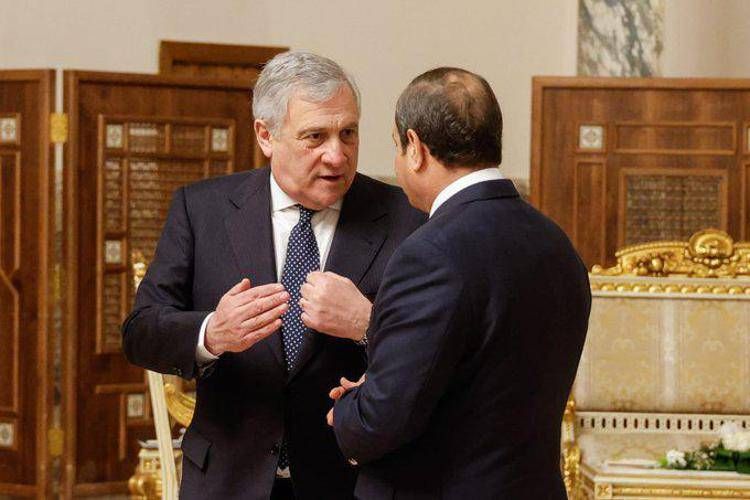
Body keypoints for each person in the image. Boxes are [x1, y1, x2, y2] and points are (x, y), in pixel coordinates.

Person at [121, 51, 423, 500]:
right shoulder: (201, 210)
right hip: (227, 480)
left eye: (348, 133)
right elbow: (140, 332)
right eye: (315, 137)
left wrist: (368, 323)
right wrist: (211, 333)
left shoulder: (406, 218)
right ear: (266, 135)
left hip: (351, 481)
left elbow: (439, 356)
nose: (336, 155)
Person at [328, 68, 592, 499]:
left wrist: (348, 410)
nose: (398, 161)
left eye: (397, 147)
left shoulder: (427, 254)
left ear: (415, 148)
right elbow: (488, 378)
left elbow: (380, 423)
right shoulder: (557, 243)